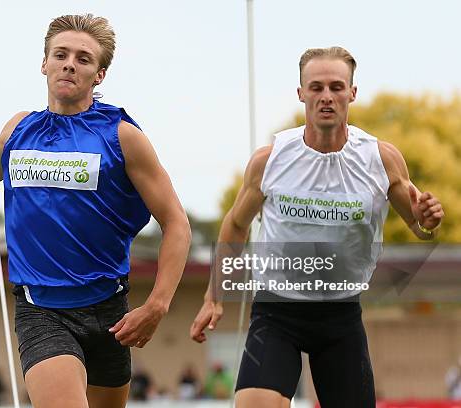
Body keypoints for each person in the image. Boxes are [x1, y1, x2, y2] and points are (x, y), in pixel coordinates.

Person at [0, 14, 191, 408]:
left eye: (83, 58)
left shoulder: (123, 136)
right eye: (60, 55)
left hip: (109, 311)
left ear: (100, 75)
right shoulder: (20, 129)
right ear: (44, 63)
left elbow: (177, 223)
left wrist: (158, 304)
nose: (69, 64)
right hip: (42, 311)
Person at [190, 46, 444, 408]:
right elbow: (235, 225)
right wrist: (214, 296)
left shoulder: (381, 159)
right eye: (317, 87)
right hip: (277, 311)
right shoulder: (270, 160)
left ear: (352, 93)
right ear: (301, 93)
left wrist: (428, 222)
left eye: (337, 87)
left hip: (340, 315)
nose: (327, 96)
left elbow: (419, 228)